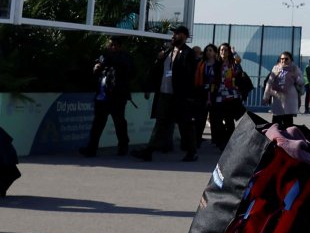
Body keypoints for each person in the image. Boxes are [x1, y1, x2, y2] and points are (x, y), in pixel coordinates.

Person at [134, 25, 198, 162]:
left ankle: (192, 152)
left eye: (177, 34)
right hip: (165, 94)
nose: (173, 36)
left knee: (185, 125)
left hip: (179, 96)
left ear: (184, 36)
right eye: (173, 34)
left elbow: (189, 73)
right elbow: (157, 71)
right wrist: (159, 59)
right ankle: (149, 151)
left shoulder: (188, 53)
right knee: (161, 123)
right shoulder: (168, 51)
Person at [80, 36, 134, 157]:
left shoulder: (124, 57)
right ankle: (91, 148)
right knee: (97, 124)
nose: (111, 47)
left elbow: (128, 71)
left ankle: (123, 146)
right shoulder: (103, 56)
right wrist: (96, 68)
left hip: (117, 97)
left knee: (119, 122)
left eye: (114, 45)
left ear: (119, 46)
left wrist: (107, 61)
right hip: (102, 96)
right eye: (110, 45)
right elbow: (97, 70)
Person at [212, 43, 251, 148]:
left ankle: (229, 143)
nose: (223, 52)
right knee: (218, 120)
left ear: (228, 52)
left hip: (231, 95)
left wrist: (234, 53)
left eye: (225, 50)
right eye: (221, 50)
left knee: (229, 120)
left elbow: (239, 64)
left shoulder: (233, 63)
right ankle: (222, 140)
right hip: (219, 95)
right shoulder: (216, 64)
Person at [266, 51, 303, 127]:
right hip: (278, 99)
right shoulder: (276, 68)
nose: (284, 60)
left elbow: (301, 82)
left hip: (290, 100)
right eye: (282, 59)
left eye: (286, 59)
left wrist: (295, 77)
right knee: (275, 124)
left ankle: (288, 137)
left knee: (288, 123)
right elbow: (269, 81)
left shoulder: (295, 69)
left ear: (291, 60)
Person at [194, 44, 222, 147]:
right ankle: (197, 140)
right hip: (202, 93)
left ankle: (216, 140)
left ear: (215, 52)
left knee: (215, 119)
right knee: (200, 118)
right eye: (207, 50)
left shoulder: (219, 64)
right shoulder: (201, 63)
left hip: (215, 93)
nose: (208, 52)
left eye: (211, 50)